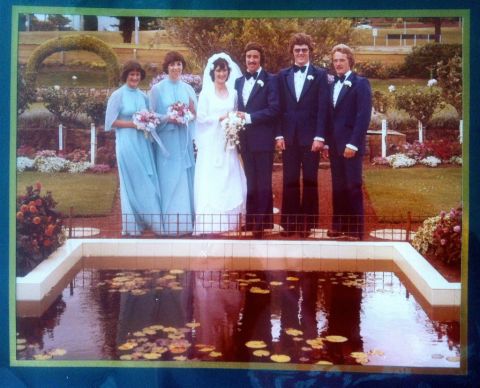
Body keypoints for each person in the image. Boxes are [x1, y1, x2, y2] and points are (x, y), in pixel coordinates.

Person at [276, 33, 329, 236]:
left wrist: (320, 137)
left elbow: (323, 108)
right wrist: (278, 135)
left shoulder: (320, 75)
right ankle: (289, 224)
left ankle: (308, 224)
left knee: (309, 178)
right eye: (297, 50)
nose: (300, 53)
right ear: (292, 52)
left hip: (311, 138)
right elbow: (279, 108)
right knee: (289, 179)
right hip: (288, 137)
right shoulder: (283, 75)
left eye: (304, 50)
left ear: (309, 52)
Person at [104, 60, 163, 236]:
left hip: (143, 143)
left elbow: (150, 116)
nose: (135, 78)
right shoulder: (118, 95)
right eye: (132, 74)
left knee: (146, 180)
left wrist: (149, 121)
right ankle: (133, 224)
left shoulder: (143, 96)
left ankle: (150, 220)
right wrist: (133, 124)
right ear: (126, 76)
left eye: (138, 75)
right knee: (132, 181)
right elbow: (110, 122)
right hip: (127, 143)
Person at [193, 53, 247, 234]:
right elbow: (200, 118)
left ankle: (232, 219)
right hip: (211, 142)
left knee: (229, 175)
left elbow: (237, 113)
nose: (221, 74)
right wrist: (220, 118)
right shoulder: (206, 94)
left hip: (228, 141)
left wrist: (233, 123)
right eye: (218, 70)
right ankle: (211, 222)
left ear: (228, 72)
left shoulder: (233, 94)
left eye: (224, 70)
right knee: (212, 177)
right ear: (213, 73)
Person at [326, 44, 372, 240]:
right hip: (335, 146)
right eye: (335, 60)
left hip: (351, 145)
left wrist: (353, 144)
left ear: (349, 61)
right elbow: (329, 117)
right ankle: (339, 225)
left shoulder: (361, 83)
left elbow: (363, 116)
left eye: (341, 60)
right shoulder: (331, 84)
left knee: (353, 186)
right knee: (338, 187)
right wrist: (328, 143)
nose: (338, 64)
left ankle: (355, 230)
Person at [150, 51, 197, 236]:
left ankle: (185, 223)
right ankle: (169, 224)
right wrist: (169, 118)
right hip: (166, 142)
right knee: (169, 178)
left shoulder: (188, 89)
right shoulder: (157, 89)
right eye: (172, 65)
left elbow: (194, 114)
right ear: (166, 67)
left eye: (178, 64)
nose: (176, 68)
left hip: (183, 140)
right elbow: (151, 116)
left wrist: (187, 116)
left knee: (184, 178)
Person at [235, 42, 280, 236]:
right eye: (248, 57)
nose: (252, 60)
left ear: (260, 59)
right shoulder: (238, 81)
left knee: (263, 181)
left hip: (263, 139)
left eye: (255, 57)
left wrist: (249, 117)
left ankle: (261, 223)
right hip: (245, 140)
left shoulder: (271, 80)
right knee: (251, 180)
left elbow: (274, 109)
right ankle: (253, 219)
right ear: (244, 59)